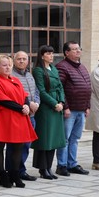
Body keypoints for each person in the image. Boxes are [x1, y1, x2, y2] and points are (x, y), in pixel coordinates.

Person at [0, 54, 37, 188]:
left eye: (9, 65)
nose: (8, 67)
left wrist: (26, 105)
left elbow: (24, 95)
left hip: (19, 116)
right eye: (4, 65)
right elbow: (1, 98)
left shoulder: (15, 79)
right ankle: (2, 174)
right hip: (3, 117)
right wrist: (21, 107)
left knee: (18, 146)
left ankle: (15, 174)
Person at [55, 41, 92, 176]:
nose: (78, 51)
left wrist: (87, 106)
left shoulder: (81, 67)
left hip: (81, 109)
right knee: (64, 139)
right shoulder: (62, 67)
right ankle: (62, 165)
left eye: (79, 49)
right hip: (69, 110)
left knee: (75, 138)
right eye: (74, 49)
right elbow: (60, 89)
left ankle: (72, 163)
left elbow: (88, 87)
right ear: (67, 52)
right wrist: (65, 107)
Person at [32, 45, 67, 180]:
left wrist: (62, 102)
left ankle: (49, 167)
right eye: (48, 54)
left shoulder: (54, 69)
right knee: (45, 139)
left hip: (57, 106)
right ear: (42, 56)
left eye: (52, 53)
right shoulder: (38, 71)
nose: (51, 56)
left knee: (54, 139)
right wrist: (54, 104)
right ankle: (43, 168)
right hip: (46, 108)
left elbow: (60, 87)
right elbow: (41, 91)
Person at [9, 51, 39, 181]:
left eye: (24, 59)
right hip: (19, 115)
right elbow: (14, 95)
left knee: (26, 145)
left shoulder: (29, 74)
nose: (21, 61)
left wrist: (37, 102)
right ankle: (14, 171)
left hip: (31, 115)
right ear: (14, 60)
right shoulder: (11, 75)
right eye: (19, 59)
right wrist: (28, 104)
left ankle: (21, 170)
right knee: (15, 147)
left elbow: (35, 91)